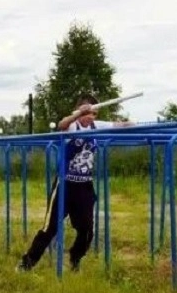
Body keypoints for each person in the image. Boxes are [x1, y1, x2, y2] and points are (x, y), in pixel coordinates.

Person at [17, 92, 129, 273]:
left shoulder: (97, 126)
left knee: (86, 231)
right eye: (86, 113)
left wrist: (131, 124)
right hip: (65, 185)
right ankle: (27, 263)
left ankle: (75, 259)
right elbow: (62, 124)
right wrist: (78, 113)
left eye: (92, 113)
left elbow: (121, 125)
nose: (89, 117)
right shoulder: (72, 126)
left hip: (84, 186)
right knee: (49, 229)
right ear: (79, 111)